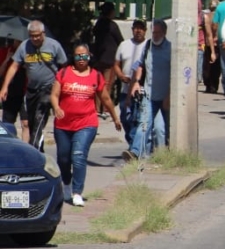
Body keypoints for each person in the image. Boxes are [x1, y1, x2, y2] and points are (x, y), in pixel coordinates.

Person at [51, 44, 120, 207]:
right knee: (63, 158)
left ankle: (77, 192)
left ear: (89, 56)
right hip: (63, 125)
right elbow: (54, 95)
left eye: (84, 56)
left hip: (86, 123)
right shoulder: (64, 73)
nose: (81, 59)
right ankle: (66, 184)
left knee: (79, 156)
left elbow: (106, 99)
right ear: (73, 57)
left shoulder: (95, 76)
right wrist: (57, 107)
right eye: (78, 56)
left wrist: (115, 117)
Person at [0, 21, 68, 149]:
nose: (35, 38)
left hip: (48, 88)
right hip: (31, 90)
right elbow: (14, 66)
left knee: (39, 120)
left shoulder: (54, 46)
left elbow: (64, 68)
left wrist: (60, 88)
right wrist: (5, 87)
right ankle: (38, 150)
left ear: (43, 33)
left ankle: (34, 149)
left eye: (37, 35)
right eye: (32, 35)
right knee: (29, 123)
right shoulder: (24, 46)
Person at [124, 20, 173, 160]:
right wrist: (136, 83)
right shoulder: (147, 46)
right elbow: (140, 65)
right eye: (153, 32)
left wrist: (169, 95)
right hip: (149, 95)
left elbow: (174, 76)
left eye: (158, 32)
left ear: (164, 33)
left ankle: (162, 157)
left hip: (164, 97)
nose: (155, 35)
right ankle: (135, 152)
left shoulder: (170, 49)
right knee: (144, 124)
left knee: (160, 129)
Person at [111, 20, 148, 146]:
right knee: (125, 119)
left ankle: (134, 148)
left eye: (141, 28)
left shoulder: (149, 46)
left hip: (141, 91)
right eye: (136, 28)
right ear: (132, 29)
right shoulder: (124, 45)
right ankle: (133, 144)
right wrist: (120, 75)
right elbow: (116, 65)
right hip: (125, 89)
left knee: (137, 119)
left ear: (145, 30)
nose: (138, 31)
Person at [90, 2, 124, 115]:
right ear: (111, 12)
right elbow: (120, 40)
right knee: (107, 84)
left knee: (97, 84)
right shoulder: (112, 25)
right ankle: (105, 108)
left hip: (98, 57)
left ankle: (96, 107)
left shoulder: (98, 24)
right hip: (110, 59)